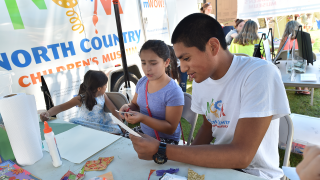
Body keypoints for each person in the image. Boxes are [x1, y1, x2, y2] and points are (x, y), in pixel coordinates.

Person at [129, 13, 291, 180]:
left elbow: (242, 156)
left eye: (186, 58)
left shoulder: (259, 73)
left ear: (213, 47)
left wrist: (162, 149)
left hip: (256, 174)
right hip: (218, 168)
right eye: (180, 60)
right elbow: (208, 126)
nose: (183, 68)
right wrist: (186, 163)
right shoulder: (201, 80)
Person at [119, 40, 184, 145]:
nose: (147, 69)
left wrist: (142, 118)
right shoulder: (142, 82)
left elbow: (170, 128)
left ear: (166, 62)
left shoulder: (173, 92)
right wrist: (128, 107)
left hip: (165, 141)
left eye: (153, 63)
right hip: (144, 133)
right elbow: (135, 104)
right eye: (143, 63)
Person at [40, 70, 124, 134]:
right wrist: (48, 113)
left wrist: (123, 127)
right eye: (105, 85)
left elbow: (113, 109)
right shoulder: (80, 99)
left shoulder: (103, 95)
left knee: (117, 130)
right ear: (99, 88)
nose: (106, 87)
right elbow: (61, 107)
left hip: (102, 124)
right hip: (87, 125)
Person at [277, 21, 310, 95]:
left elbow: (279, 54)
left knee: (292, 64)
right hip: (301, 64)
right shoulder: (303, 38)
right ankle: (305, 88)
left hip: (288, 65)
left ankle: (298, 88)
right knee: (304, 65)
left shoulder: (284, 40)